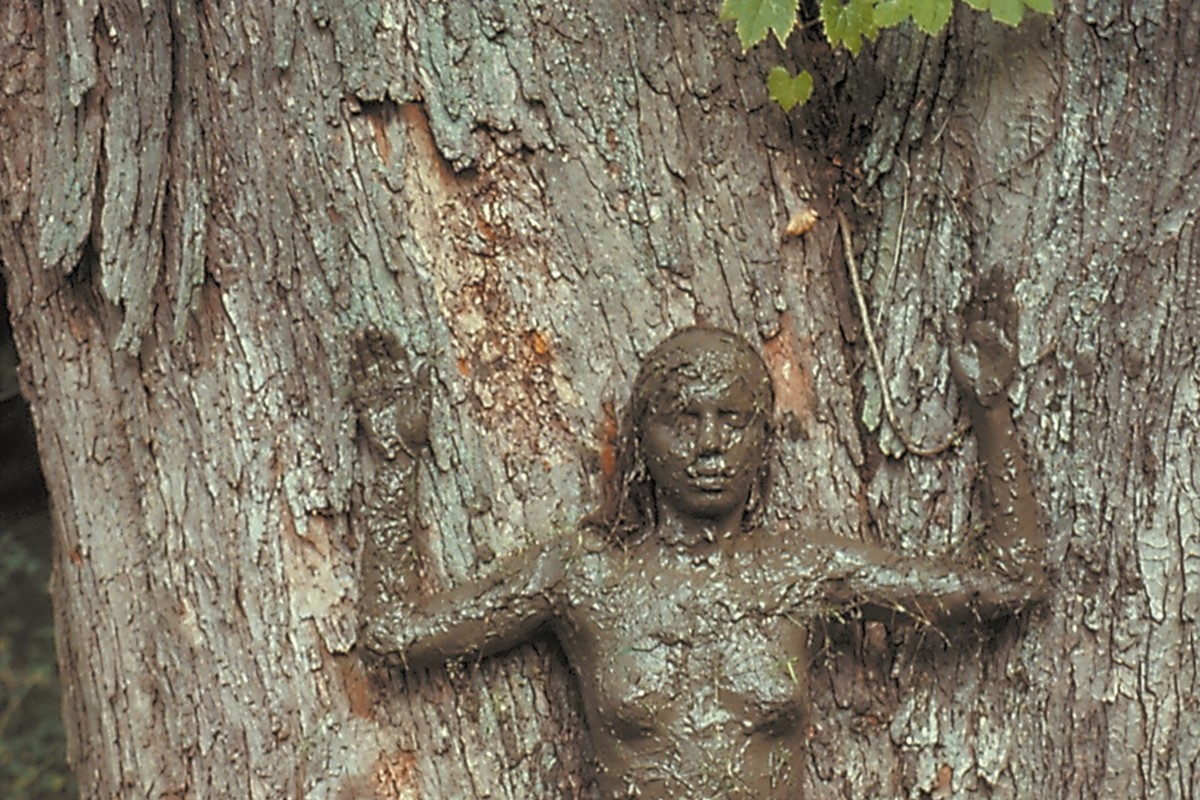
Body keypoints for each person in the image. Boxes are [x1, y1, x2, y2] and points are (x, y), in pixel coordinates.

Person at [351, 324, 1045, 800]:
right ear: (642, 439)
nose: (708, 443)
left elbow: (1009, 581)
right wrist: (391, 462)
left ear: (762, 439)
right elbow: (394, 634)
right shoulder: (588, 577)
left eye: (731, 419)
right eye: (683, 418)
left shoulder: (802, 573)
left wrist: (989, 407)